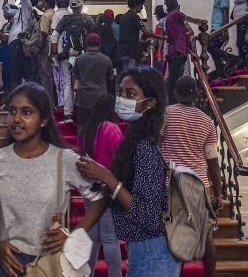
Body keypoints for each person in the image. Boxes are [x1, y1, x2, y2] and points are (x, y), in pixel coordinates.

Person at [0, 83, 108, 277]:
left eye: (26, 112)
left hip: (49, 262)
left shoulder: (63, 159)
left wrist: (74, 235)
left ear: (44, 120)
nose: (17, 119)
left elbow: (100, 195)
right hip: (7, 263)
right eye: (12, 111)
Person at [76, 67, 180, 277]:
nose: (122, 99)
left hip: (152, 251)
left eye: (130, 94)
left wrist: (106, 176)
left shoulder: (145, 147)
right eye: (121, 93)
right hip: (144, 250)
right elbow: (107, 198)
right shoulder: (133, 140)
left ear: (150, 103)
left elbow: (147, 216)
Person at [161, 76, 221, 277]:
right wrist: (218, 193)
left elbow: (154, 143)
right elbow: (212, 160)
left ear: (175, 93)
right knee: (205, 234)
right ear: (196, 95)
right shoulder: (207, 122)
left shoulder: (166, 115)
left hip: (172, 183)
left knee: (172, 234)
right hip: (198, 184)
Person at [77, 94, 123, 277]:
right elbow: (119, 159)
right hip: (107, 186)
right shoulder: (111, 128)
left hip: (89, 187)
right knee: (111, 240)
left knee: (92, 239)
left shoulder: (85, 130)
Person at [54, 0, 96, 124]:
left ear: (71, 8)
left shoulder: (65, 20)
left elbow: (54, 36)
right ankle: (83, 111)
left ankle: (68, 114)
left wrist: (55, 53)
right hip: (84, 55)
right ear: (81, 6)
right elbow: (94, 37)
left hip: (67, 55)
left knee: (68, 83)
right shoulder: (87, 19)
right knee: (83, 82)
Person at [160, 0, 206, 102]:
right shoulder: (175, 14)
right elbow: (188, 18)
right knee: (175, 83)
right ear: (177, 6)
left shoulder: (169, 21)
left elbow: (179, 41)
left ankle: (173, 104)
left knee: (174, 82)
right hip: (177, 55)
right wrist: (200, 22)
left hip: (174, 54)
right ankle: (174, 105)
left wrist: (191, 53)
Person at [72, 33, 115, 133]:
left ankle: (82, 147)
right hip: (100, 98)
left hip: (83, 99)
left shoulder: (79, 59)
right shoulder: (106, 60)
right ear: (100, 45)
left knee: (82, 126)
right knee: (100, 127)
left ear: (86, 44)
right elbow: (110, 78)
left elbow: (76, 76)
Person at [2, 0, 37, 91]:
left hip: (18, 43)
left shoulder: (28, 9)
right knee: (18, 72)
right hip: (15, 44)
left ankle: (23, 95)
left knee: (16, 73)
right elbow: (6, 9)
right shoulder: (19, 11)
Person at [116, 0, 159, 72]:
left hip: (122, 52)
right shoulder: (135, 17)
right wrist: (162, 37)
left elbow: (128, 36)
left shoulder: (123, 17)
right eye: (141, 5)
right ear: (136, 4)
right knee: (130, 76)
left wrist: (143, 42)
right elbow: (146, 32)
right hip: (130, 52)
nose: (142, 7)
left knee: (121, 76)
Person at [204, 0, 232, 77]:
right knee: (212, 49)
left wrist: (225, 29)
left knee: (211, 47)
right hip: (215, 27)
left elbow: (225, 13)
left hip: (219, 28)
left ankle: (233, 59)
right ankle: (220, 71)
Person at [49, 0, 71, 109]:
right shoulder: (70, 15)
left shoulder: (56, 15)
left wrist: (53, 53)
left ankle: (62, 103)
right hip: (70, 51)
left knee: (58, 79)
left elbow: (54, 34)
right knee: (69, 80)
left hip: (58, 50)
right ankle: (70, 103)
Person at [36, 0, 57, 97]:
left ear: (47, 4)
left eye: (43, 1)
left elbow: (44, 33)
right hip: (55, 44)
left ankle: (47, 100)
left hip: (46, 44)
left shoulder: (45, 16)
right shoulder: (54, 14)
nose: (41, 3)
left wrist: (39, 48)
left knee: (45, 75)